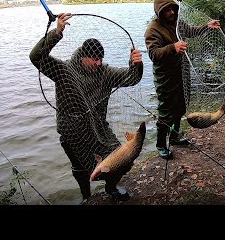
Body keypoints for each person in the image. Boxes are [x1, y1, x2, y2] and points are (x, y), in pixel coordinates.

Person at [30, 13, 143, 202]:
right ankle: (86, 196)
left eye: (101, 59)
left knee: (123, 160)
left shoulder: (105, 72)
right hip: (72, 131)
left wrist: (135, 65)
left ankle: (111, 187)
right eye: (94, 59)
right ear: (83, 56)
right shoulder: (64, 70)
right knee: (80, 169)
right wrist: (56, 32)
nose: (98, 63)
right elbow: (36, 57)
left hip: (99, 128)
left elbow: (132, 78)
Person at [144, 0, 220, 159]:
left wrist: (207, 26)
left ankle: (175, 137)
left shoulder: (177, 21)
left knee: (181, 107)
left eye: (173, 9)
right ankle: (160, 145)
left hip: (182, 73)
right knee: (165, 112)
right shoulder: (153, 29)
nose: (171, 12)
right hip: (165, 77)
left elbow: (190, 31)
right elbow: (153, 53)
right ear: (159, 12)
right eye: (167, 10)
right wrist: (173, 47)